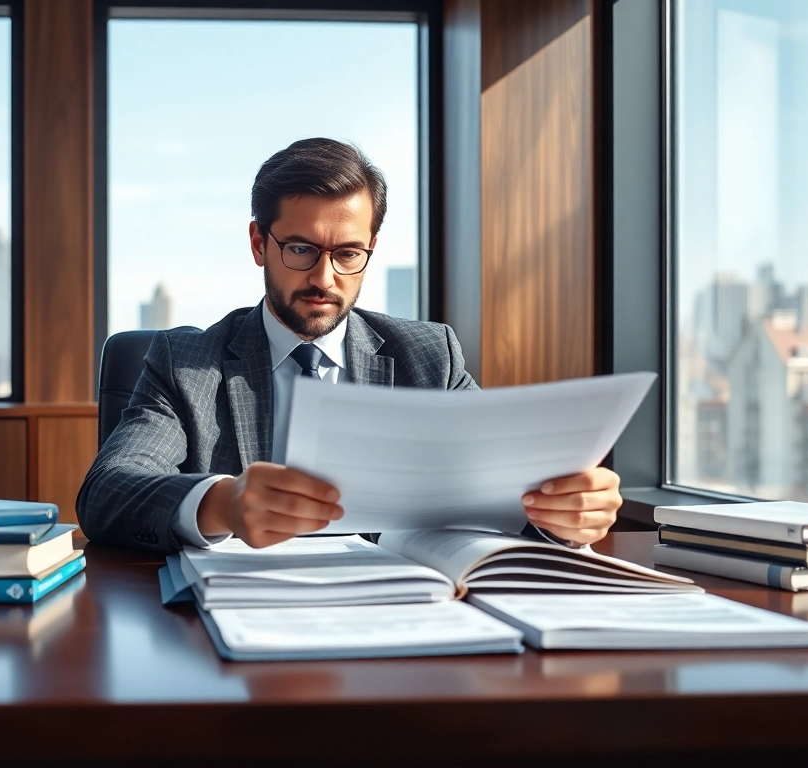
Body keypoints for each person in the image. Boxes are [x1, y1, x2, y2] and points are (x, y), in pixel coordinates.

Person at [77, 138, 621, 553]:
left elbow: (503, 493)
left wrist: (564, 516)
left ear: (370, 248)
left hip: (401, 628)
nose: (325, 277)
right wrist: (223, 503)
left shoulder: (430, 357)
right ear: (258, 243)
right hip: (237, 632)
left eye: (348, 253)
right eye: (300, 249)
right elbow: (108, 493)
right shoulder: (186, 363)